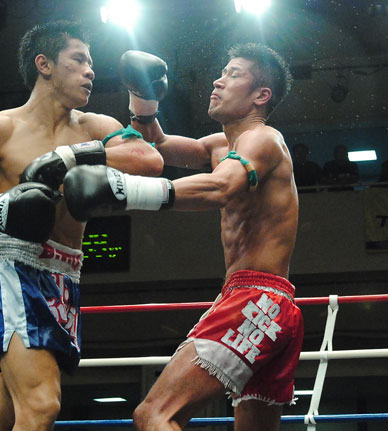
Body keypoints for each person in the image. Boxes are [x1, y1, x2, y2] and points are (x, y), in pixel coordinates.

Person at [0, 20, 163, 431]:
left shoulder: (96, 127)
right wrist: (1, 209)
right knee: (41, 407)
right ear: (44, 64)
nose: (90, 71)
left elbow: (149, 160)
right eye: (79, 60)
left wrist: (70, 156)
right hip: (14, 270)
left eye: (92, 63)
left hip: (66, 275)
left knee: (1, 420)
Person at [62, 43, 304, 431]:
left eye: (234, 74)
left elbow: (220, 188)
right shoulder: (220, 145)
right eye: (222, 72)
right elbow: (155, 147)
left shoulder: (263, 139)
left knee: (154, 414)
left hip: (255, 299)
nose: (218, 81)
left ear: (261, 95)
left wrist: (124, 191)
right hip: (269, 305)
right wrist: (143, 97)